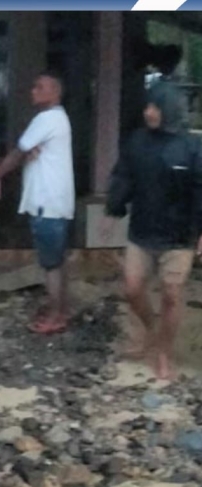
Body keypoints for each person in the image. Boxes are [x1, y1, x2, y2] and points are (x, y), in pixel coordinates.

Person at [102, 82, 202, 380]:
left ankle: (163, 353)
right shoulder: (137, 141)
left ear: (169, 109)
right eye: (147, 106)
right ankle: (152, 331)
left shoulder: (192, 147)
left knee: (171, 295)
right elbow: (123, 178)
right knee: (132, 289)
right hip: (142, 232)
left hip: (179, 237)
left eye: (155, 107)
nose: (148, 112)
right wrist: (112, 210)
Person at [0, 72, 75, 334]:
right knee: (57, 260)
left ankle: (55, 316)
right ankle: (61, 309)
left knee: (51, 265)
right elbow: (28, 152)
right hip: (56, 202)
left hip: (46, 203)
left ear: (55, 92)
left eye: (40, 87)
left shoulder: (46, 119)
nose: (33, 91)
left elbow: (17, 153)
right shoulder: (58, 119)